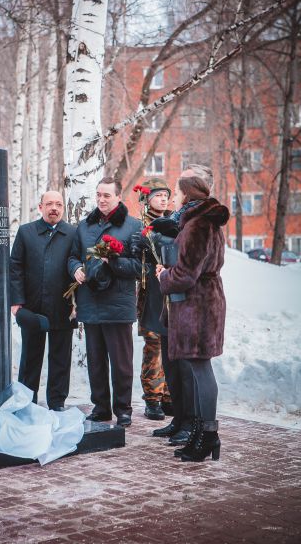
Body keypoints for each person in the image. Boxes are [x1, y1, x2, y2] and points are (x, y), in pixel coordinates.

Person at [156, 176, 229, 461]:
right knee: (199, 370)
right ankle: (201, 433)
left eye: (175, 193)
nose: (173, 197)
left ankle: (208, 436)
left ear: (187, 195)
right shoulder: (200, 221)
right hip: (200, 303)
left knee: (200, 370)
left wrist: (164, 275)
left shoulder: (198, 224)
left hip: (198, 306)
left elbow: (187, 275)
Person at [68, 177, 141, 427]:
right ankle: (100, 408)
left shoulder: (133, 226)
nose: (101, 199)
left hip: (118, 303)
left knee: (121, 363)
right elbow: (73, 256)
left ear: (118, 197)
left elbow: (139, 267)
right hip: (90, 301)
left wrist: (114, 261)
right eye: (98, 194)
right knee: (96, 361)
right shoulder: (83, 227)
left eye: (107, 195)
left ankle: (123, 409)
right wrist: (76, 268)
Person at [10, 191, 76, 411]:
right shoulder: (26, 232)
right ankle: (26, 401)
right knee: (30, 356)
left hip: (63, 306)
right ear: (40, 207)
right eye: (49, 204)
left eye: (58, 204)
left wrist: (78, 304)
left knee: (60, 358)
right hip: (32, 306)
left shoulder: (73, 234)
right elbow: (15, 267)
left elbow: (78, 265)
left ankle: (57, 402)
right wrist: (17, 300)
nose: (54, 208)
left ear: (63, 208)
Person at [133, 178, 173, 421]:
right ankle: (152, 399)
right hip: (151, 294)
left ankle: (170, 396)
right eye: (158, 195)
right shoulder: (139, 225)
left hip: (172, 292)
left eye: (166, 195)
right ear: (147, 199)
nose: (163, 199)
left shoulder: (175, 221)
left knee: (172, 347)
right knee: (154, 347)